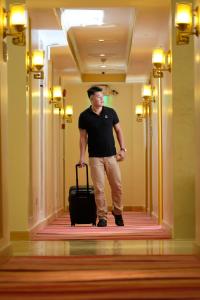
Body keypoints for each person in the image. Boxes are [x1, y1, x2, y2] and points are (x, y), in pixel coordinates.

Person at [78, 86, 127, 227]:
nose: (102, 99)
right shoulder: (84, 116)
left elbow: (118, 131)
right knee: (99, 188)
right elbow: (82, 138)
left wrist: (123, 149)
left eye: (102, 97)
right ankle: (102, 217)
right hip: (94, 158)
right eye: (98, 97)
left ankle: (118, 213)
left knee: (117, 186)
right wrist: (81, 157)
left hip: (111, 156)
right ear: (91, 98)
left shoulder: (110, 112)